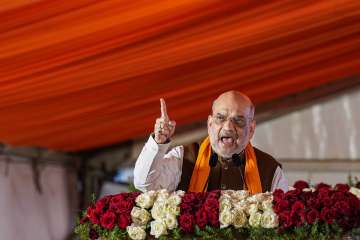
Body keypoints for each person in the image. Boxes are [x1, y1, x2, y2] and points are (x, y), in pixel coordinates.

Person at [134, 90, 288, 193]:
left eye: (238, 120)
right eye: (220, 118)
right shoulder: (185, 157)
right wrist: (159, 143)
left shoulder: (269, 169)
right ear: (209, 124)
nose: (228, 126)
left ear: (252, 129)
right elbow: (145, 184)